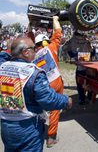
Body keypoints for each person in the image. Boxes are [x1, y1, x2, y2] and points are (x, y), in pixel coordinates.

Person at [0, 36, 72, 152]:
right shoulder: (33, 72)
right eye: (33, 48)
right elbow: (48, 100)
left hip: (6, 126)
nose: (36, 50)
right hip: (28, 127)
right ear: (25, 52)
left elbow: (2, 56)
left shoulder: (2, 66)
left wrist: (9, 51)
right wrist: (65, 100)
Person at [28, 16, 64, 147]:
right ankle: (51, 138)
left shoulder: (30, 54)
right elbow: (58, 31)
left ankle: (38, 130)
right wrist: (55, 19)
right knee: (55, 109)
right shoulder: (51, 47)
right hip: (55, 82)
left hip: (38, 85)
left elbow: (29, 39)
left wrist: (30, 25)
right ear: (45, 42)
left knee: (37, 108)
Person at [62, 30, 93, 105]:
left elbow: (64, 48)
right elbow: (92, 52)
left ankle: (84, 98)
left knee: (81, 83)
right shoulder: (86, 40)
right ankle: (86, 98)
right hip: (87, 66)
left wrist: (73, 55)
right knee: (87, 82)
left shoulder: (77, 40)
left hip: (84, 66)